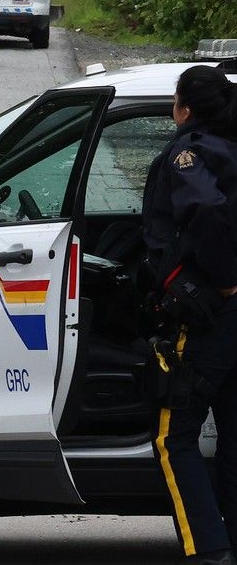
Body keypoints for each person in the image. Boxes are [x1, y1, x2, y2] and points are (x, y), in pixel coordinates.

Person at [143, 65, 237, 565]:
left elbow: (202, 208)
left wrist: (222, 277)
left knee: (174, 436)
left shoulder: (189, 152)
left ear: (185, 108)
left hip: (209, 315)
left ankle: (208, 550)